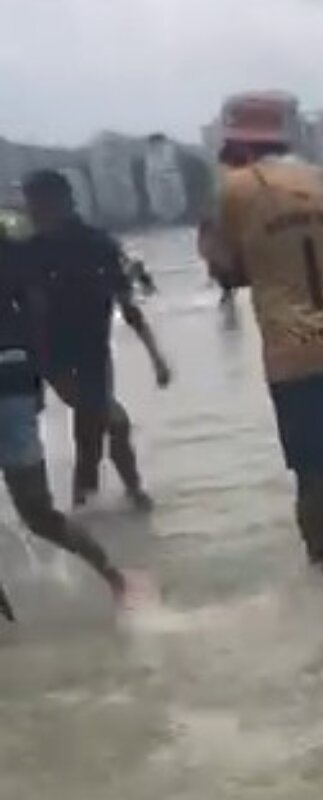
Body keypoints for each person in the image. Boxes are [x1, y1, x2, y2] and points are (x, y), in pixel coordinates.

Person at [210, 93, 323, 570]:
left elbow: (228, 272)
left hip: (292, 352)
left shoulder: (236, 189)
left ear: (237, 146)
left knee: (311, 470)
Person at [21, 170, 171, 510]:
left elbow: (127, 305)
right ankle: (133, 494)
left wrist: (155, 356)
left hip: (95, 352)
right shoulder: (29, 252)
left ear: (61, 201)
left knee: (90, 429)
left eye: (38, 204)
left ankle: (88, 502)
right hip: (51, 358)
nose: (32, 212)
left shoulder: (97, 244)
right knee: (112, 419)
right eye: (30, 204)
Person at [0, 235, 127, 608]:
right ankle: (114, 577)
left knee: (38, 512)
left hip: (14, 380)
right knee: (38, 513)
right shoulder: (13, 249)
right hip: (16, 379)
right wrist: (39, 372)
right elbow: (38, 311)